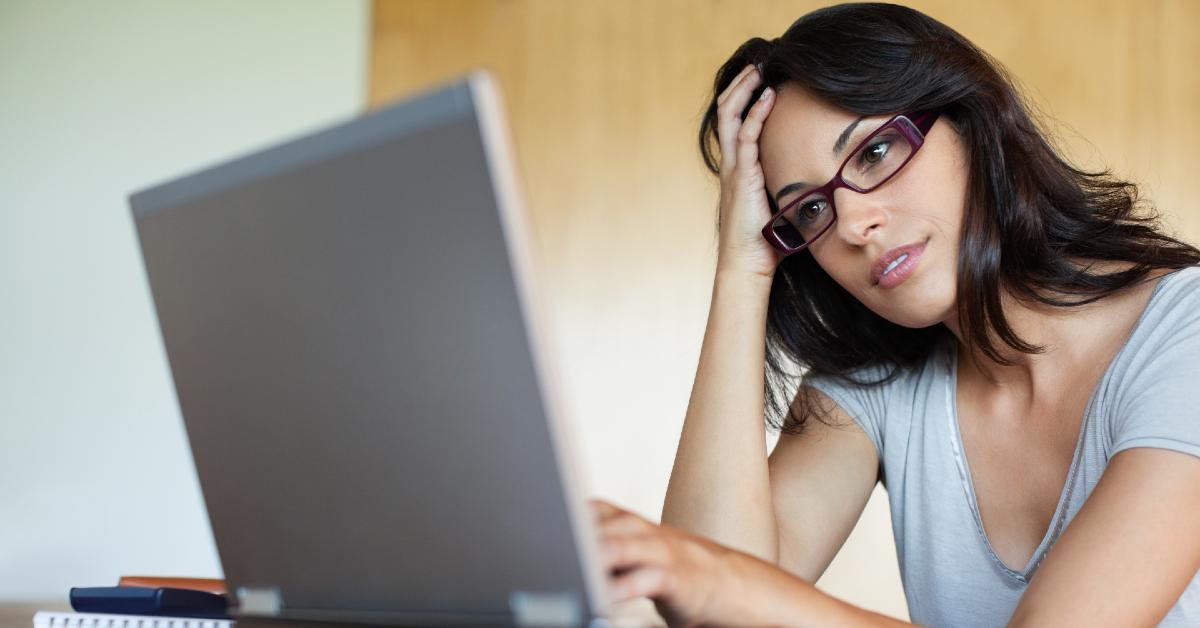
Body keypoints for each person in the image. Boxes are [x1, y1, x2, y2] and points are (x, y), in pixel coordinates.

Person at [588, 3, 1200, 626]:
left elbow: (721, 583)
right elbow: (704, 597)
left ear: (970, 121)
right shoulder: (879, 386)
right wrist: (742, 268)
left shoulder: (1186, 333)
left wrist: (727, 586)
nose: (853, 224)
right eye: (808, 212)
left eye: (875, 152)